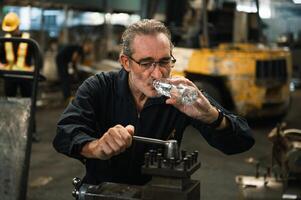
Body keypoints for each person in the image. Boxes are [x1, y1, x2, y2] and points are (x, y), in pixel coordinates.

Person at [53, 19, 254, 185]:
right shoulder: (100, 87)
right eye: (146, 63)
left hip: (158, 192)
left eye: (165, 62)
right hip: (102, 190)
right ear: (126, 62)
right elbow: (64, 133)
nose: (157, 74)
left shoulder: (181, 95)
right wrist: (95, 148)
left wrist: (213, 117)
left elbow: (242, 141)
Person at [0, 12, 34, 97]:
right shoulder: (5, 40)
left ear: (18, 26)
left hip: (26, 75)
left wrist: (35, 67)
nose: (10, 31)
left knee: (27, 97)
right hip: (9, 74)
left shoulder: (28, 39)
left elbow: (37, 57)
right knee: (9, 99)